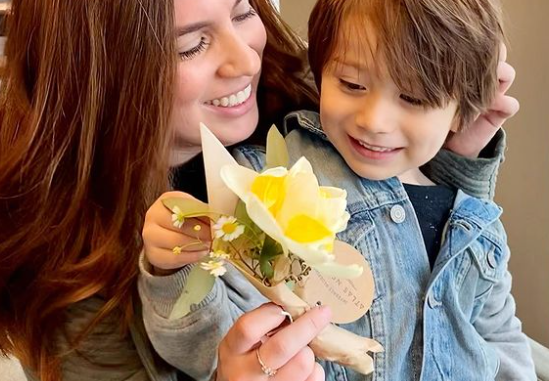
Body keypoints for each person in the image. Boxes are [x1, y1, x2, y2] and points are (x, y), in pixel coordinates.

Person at [0, 0, 516, 381]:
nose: (246, 61)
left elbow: (460, 295)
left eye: (245, 11)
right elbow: (203, 337)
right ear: (104, 74)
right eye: (191, 44)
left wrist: (454, 164)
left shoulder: (315, 118)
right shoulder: (74, 274)